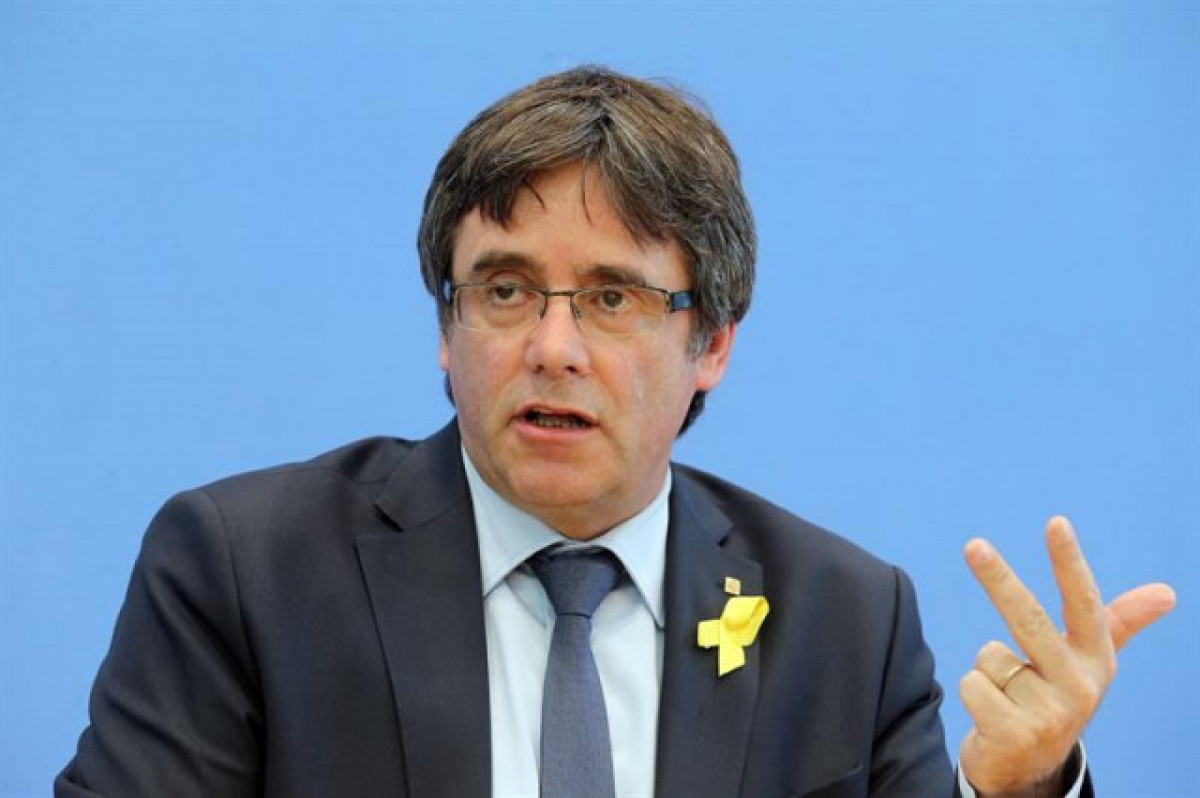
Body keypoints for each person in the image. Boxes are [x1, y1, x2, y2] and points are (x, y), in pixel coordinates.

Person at [56, 66, 1175, 798]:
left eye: (612, 297)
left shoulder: (845, 621)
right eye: (504, 291)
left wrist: (1023, 792)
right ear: (445, 330)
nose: (553, 346)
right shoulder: (247, 573)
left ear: (713, 343)